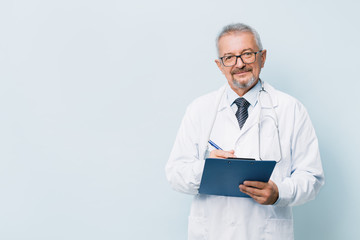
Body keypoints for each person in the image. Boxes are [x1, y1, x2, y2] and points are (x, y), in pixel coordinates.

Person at [165, 23, 324, 240]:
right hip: (212, 232)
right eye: (229, 57)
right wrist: (206, 168)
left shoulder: (290, 109)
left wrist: (279, 193)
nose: (239, 64)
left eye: (247, 54)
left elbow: (312, 176)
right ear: (219, 65)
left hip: (265, 232)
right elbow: (175, 173)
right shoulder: (199, 109)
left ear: (263, 57)